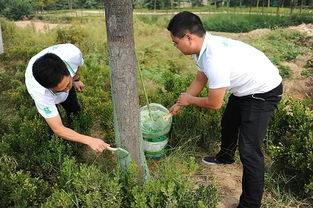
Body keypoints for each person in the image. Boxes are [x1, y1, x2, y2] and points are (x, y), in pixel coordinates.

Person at [167, 11, 282, 208]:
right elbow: (200, 79)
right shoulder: (204, 47)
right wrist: (181, 102)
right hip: (244, 90)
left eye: (175, 42)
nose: (175, 46)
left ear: (188, 37)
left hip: (263, 92)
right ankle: (226, 157)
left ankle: (250, 204)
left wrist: (190, 100)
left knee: (249, 150)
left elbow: (214, 104)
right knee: (228, 122)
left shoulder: (214, 58)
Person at [25, 43, 109, 153]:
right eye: (59, 90)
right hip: (43, 88)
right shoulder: (40, 93)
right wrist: (89, 140)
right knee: (53, 124)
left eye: (67, 84)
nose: (66, 91)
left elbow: (77, 65)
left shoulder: (73, 54)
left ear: (67, 69)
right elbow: (58, 129)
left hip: (65, 71)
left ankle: (74, 126)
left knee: (74, 109)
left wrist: (76, 79)